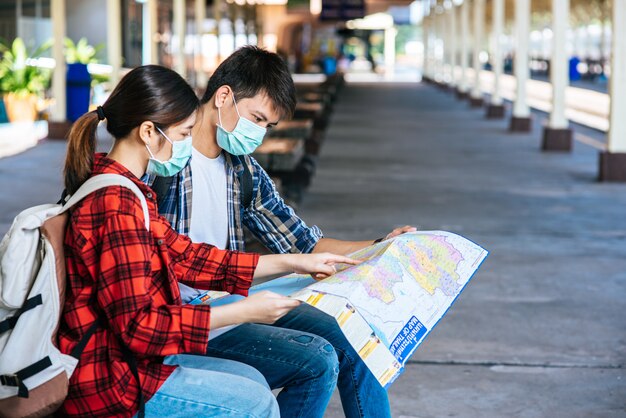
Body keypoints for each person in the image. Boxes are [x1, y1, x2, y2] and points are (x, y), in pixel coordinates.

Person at [58, 64, 357, 418]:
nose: (189, 144)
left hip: (136, 361)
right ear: (149, 132)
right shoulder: (117, 204)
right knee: (257, 401)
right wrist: (241, 311)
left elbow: (189, 257)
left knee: (254, 380)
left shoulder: (130, 191)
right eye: (185, 134)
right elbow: (139, 328)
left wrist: (295, 262)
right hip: (116, 380)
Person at [147, 46, 416, 418]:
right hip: (184, 318)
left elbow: (304, 242)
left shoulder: (243, 171)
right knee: (317, 360)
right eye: (256, 118)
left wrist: (378, 247)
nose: (257, 134)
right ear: (223, 96)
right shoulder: (165, 161)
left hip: (229, 294)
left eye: (267, 127)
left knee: (355, 336)